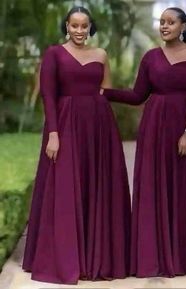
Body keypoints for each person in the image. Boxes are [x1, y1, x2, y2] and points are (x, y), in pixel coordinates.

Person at [103, 7, 186, 277]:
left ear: (184, 26)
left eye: (171, 22)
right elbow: (138, 96)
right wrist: (104, 93)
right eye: (161, 22)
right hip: (154, 132)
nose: (164, 26)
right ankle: (155, 257)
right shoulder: (150, 58)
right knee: (155, 188)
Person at [22, 6, 131, 284]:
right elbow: (48, 95)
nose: (79, 31)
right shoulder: (54, 54)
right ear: (66, 27)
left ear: (90, 27)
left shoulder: (101, 55)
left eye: (84, 26)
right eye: (74, 26)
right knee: (65, 186)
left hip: (99, 126)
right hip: (66, 124)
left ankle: (95, 257)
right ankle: (66, 257)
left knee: (95, 185)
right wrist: (54, 134)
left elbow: (106, 91)